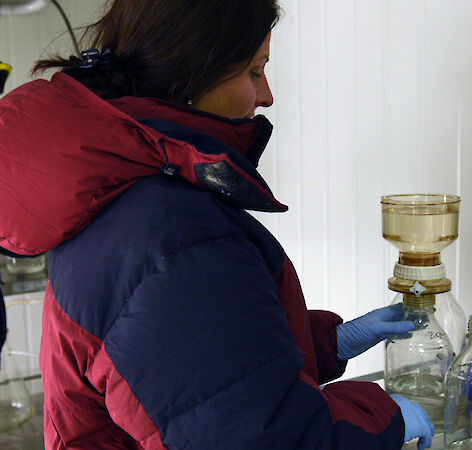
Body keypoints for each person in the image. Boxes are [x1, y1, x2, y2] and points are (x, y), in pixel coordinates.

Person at [0, 1, 436, 448]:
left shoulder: (120, 190)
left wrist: (327, 343)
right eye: (254, 71)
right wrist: (385, 414)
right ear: (193, 74)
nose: (266, 95)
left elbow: (201, 365)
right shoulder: (173, 235)